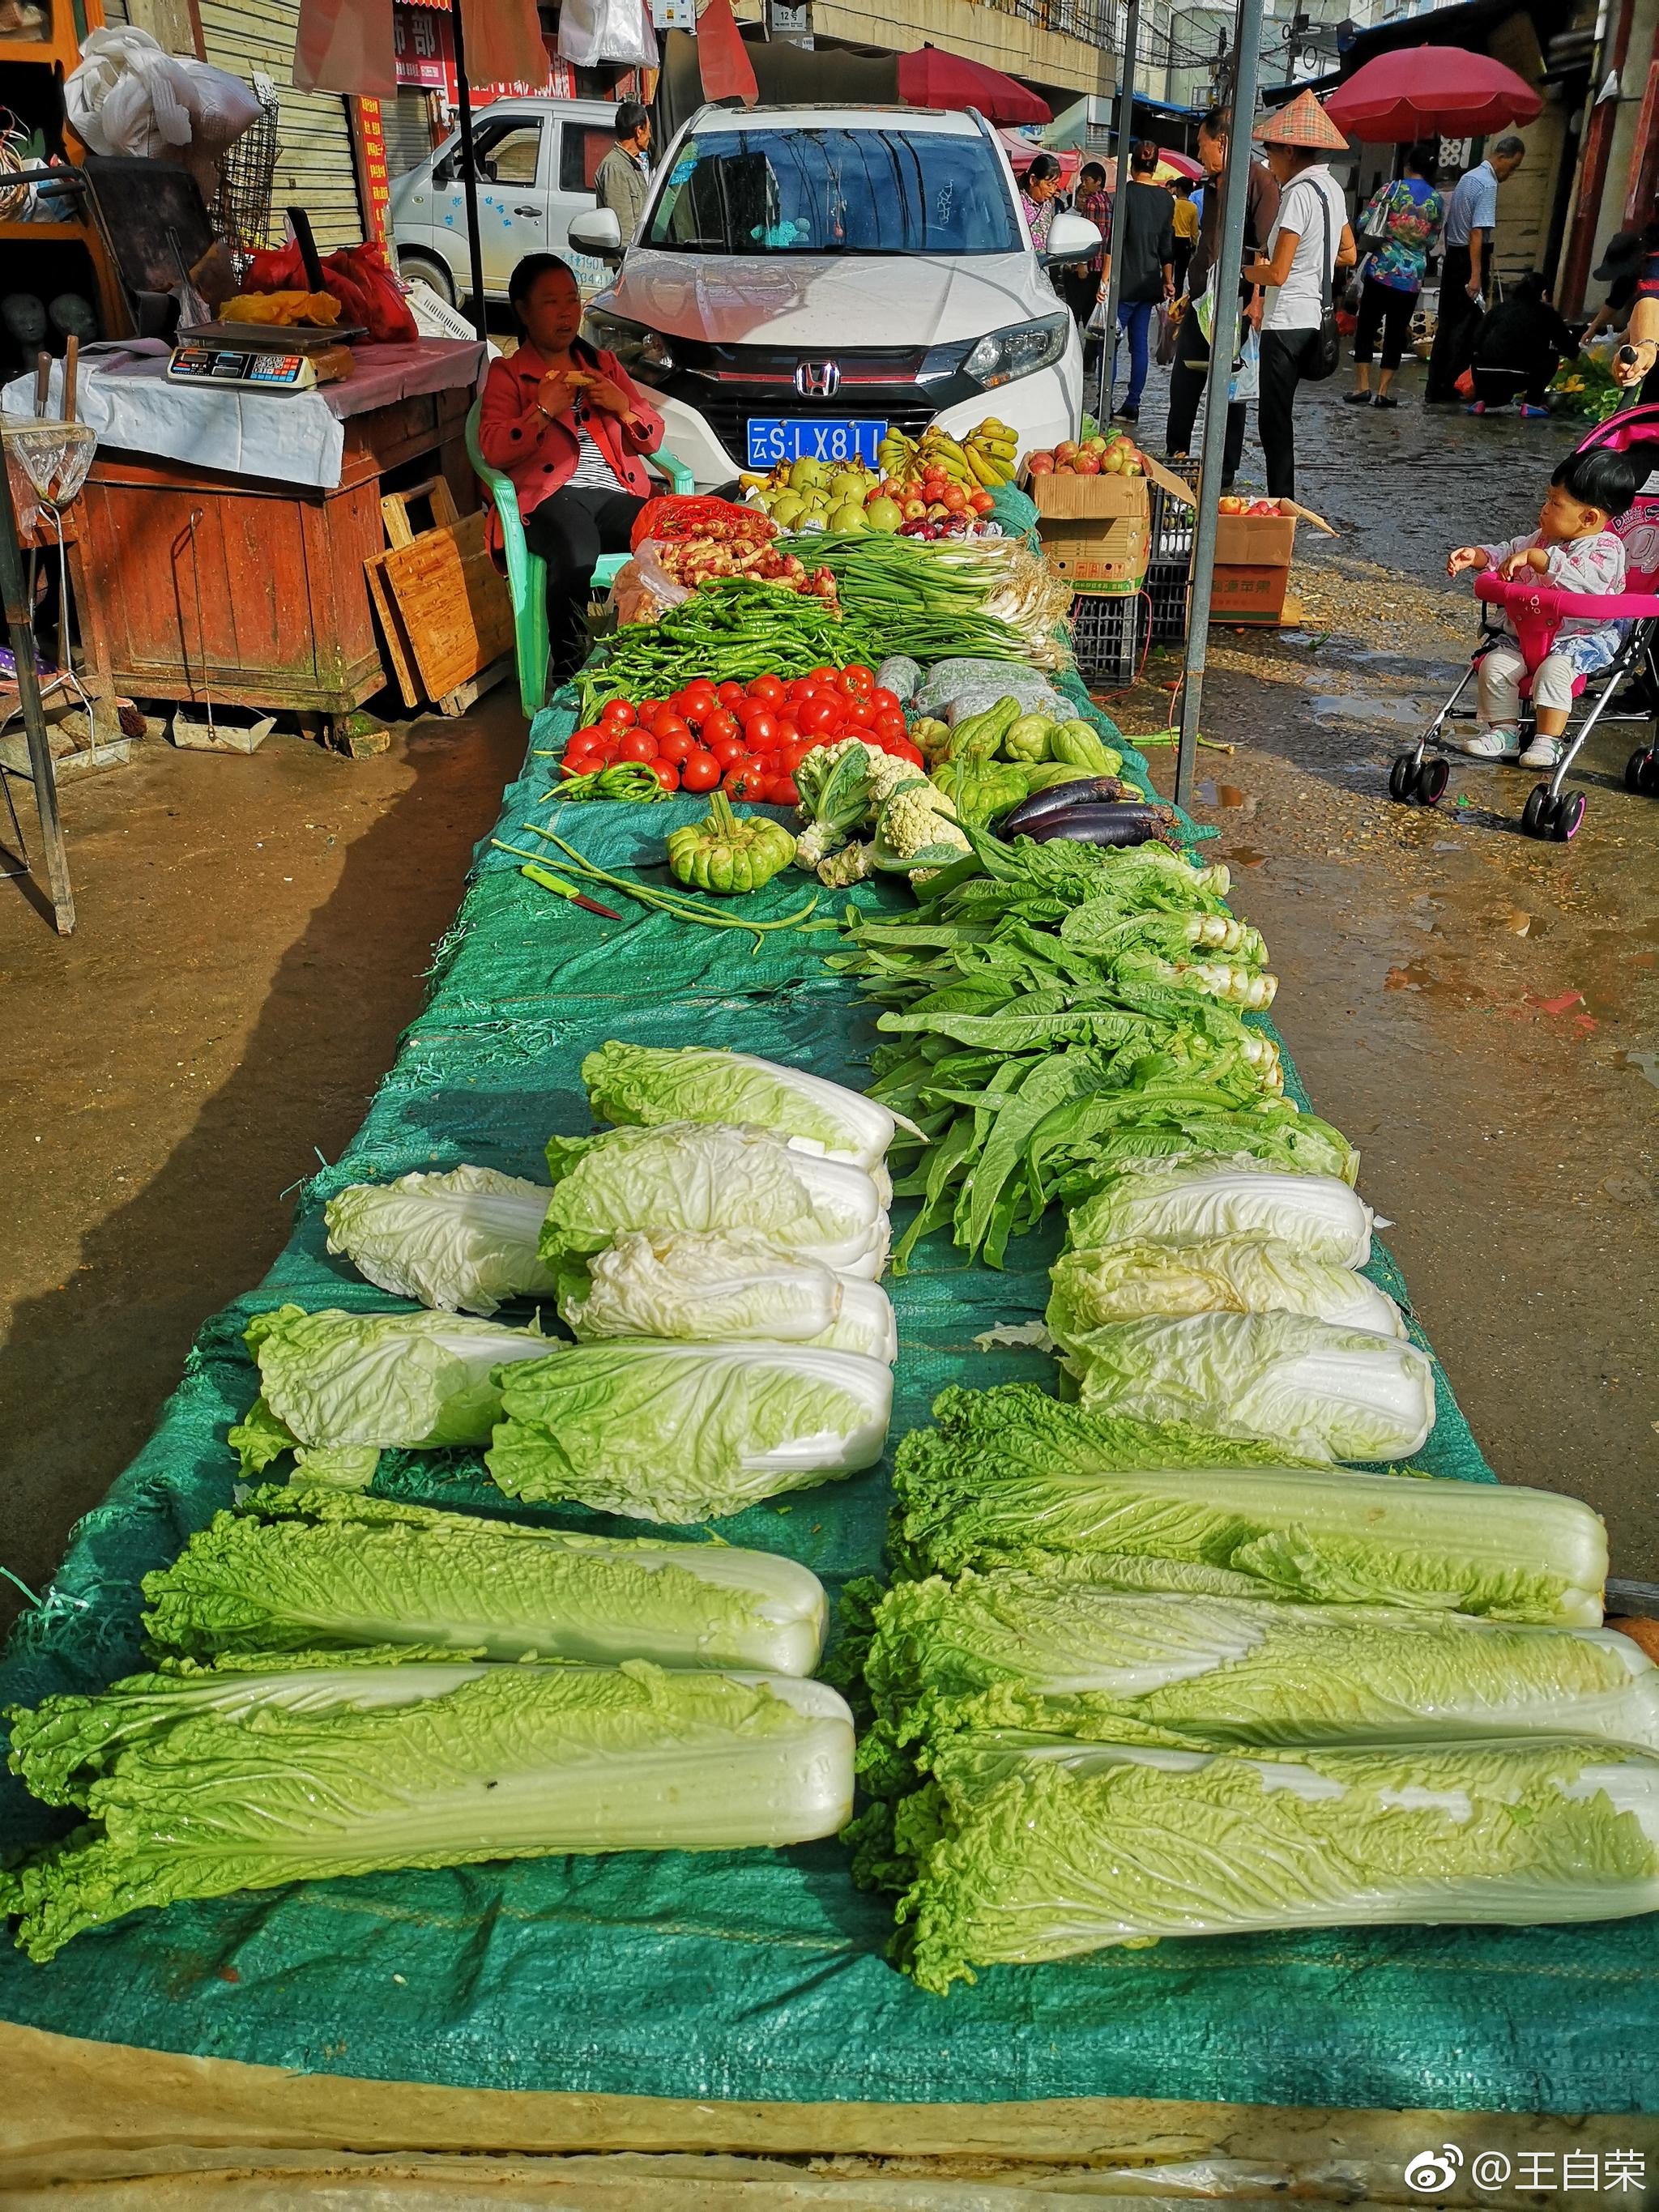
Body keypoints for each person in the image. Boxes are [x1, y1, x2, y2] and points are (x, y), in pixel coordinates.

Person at [477, 254, 664, 681]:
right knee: (578, 550)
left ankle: (650, 657)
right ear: (523, 311)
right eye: (550, 303)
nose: (566, 312)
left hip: (614, 493)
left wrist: (623, 409)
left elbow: (652, 438)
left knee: (666, 529)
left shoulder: (603, 366)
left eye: (572, 300)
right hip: (546, 501)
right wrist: (543, 411)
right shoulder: (509, 374)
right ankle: (570, 671)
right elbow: (492, 449)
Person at [1446, 446, 1638, 769]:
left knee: (1553, 673)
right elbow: (1511, 551)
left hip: (1577, 638)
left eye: (1555, 503)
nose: (1544, 508)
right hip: (1526, 632)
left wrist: (1541, 562)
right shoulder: (1542, 538)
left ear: (1589, 517)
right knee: (1495, 665)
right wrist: (1480, 556)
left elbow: (1586, 584)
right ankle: (1504, 731)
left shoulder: (1607, 548)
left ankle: (1548, 741)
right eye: (1547, 499)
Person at [1243, 91, 1355, 501]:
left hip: (1286, 321)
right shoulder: (1332, 191)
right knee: (1279, 421)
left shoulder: (1298, 195)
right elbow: (1348, 252)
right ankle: (1281, 502)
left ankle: (1280, 506)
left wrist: (1240, 271)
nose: (1270, 163)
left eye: (1271, 153)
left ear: (1289, 149)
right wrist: (1316, 265)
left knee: (1275, 424)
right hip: (1316, 318)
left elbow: (1276, 272)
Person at [1163, 107, 1280, 489]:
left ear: (1223, 142)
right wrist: (1188, 292)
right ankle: (1176, 455)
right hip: (1202, 302)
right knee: (1184, 383)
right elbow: (1207, 247)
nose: (1199, 155)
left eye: (1202, 145)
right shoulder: (1211, 184)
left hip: (1238, 303)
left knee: (1230, 394)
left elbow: (1262, 248)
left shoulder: (1261, 182)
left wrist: (1257, 300)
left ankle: (1224, 472)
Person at [1425, 135, 1527, 404]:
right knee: (1466, 328)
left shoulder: (1468, 178)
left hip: (1453, 257)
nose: (1511, 173)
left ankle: (1436, 386)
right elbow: (1477, 233)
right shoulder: (1488, 183)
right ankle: (1453, 385)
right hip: (1467, 259)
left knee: (1447, 325)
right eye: (1513, 166)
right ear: (1503, 157)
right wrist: (1475, 275)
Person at [1347, 143, 1444, 409]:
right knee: (1395, 334)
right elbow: (1433, 239)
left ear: (1408, 165)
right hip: (1411, 277)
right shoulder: (1436, 200)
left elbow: (1363, 223)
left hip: (1381, 271)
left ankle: (1362, 386)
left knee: (1366, 327)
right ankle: (1383, 391)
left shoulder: (1390, 190)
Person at [1104, 140, 1175, 420]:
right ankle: (1133, 405)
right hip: (1148, 285)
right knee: (1139, 348)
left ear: (1133, 165)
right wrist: (1168, 280)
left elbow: (1114, 241)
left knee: (1109, 345)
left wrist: (1105, 281)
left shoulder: (1125, 193)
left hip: (1123, 285)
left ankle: (1105, 403)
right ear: (1155, 167)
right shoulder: (1164, 199)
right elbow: (1166, 245)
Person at [1465, 271, 1577, 416]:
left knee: (1482, 358)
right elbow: (1568, 347)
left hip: (1483, 374)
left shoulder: (1499, 309)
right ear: (1543, 293)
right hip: (1520, 376)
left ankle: (1479, 401)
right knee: (1551, 356)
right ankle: (1532, 403)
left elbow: (1476, 340)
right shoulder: (1546, 313)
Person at [1061, 160, 1111, 330]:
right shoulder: (1107, 200)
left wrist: (1082, 263)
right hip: (1102, 265)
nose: (1084, 184)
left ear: (1098, 181)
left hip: (1088, 264)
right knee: (1092, 312)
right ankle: (1091, 353)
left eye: (1087, 180)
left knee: (1075, 309)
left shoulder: (1091, 202)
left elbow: (1087, 234)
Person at [595, 100, 652, 249]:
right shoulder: (615, 168)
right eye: (648, 130)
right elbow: (624, 232)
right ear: (639, 131)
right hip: (630, 260)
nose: (650, 136)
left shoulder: (632, 164)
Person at [1020, 152, 1065, 254]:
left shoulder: (1048, 206)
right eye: (1049, 185)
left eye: (1055, 185)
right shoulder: (1017, 204)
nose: (1053, 190)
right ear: (1033, 180)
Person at [1169, 177, 1199, 296]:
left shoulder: (1173, 204)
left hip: (1171, 240)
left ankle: (1165, 298)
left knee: (1168, 272)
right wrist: (1194, 244)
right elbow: (1194, 230)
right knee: (1180, 275)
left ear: (1179, 189)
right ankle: (1176, 301)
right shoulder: (1193, 207)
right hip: (1185, 242)